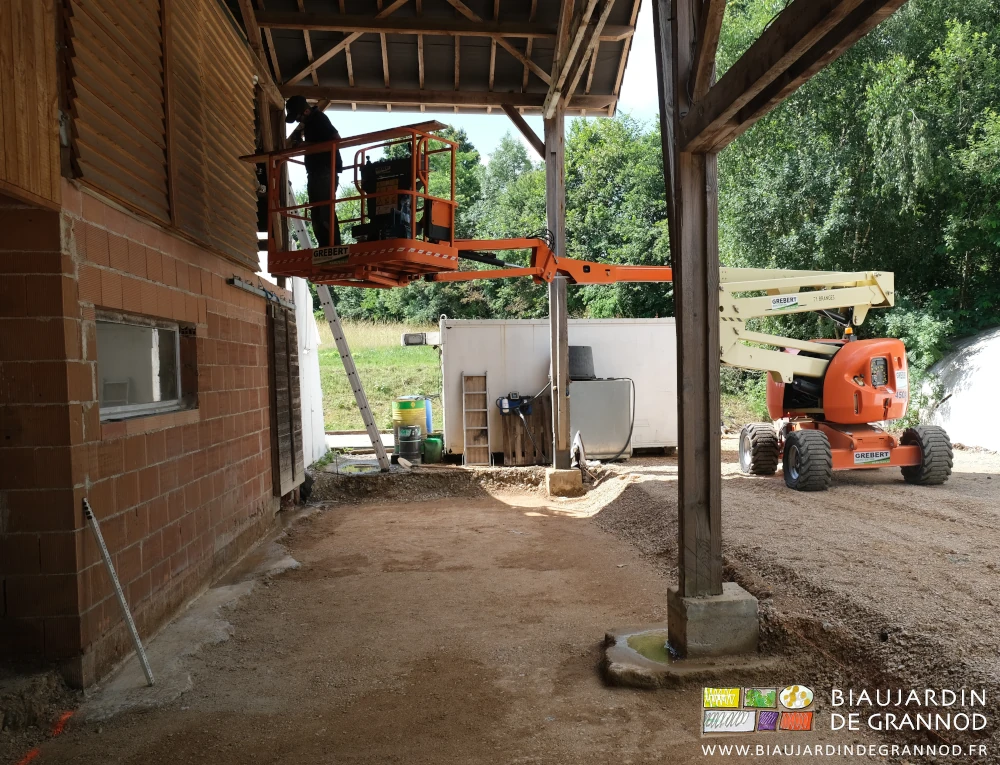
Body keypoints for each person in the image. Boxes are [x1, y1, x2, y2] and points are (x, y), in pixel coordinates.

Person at [285, 95, 344, 248]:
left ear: (305, 112)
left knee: (323, 209)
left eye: (297, 117)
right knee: (317, 211)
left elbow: (337, 140)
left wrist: (305, 144)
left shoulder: (319, 119)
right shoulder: (311, 123)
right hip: (317, 172)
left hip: (324, 171)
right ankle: (326, 245)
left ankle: (332, 246)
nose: (298, 121)